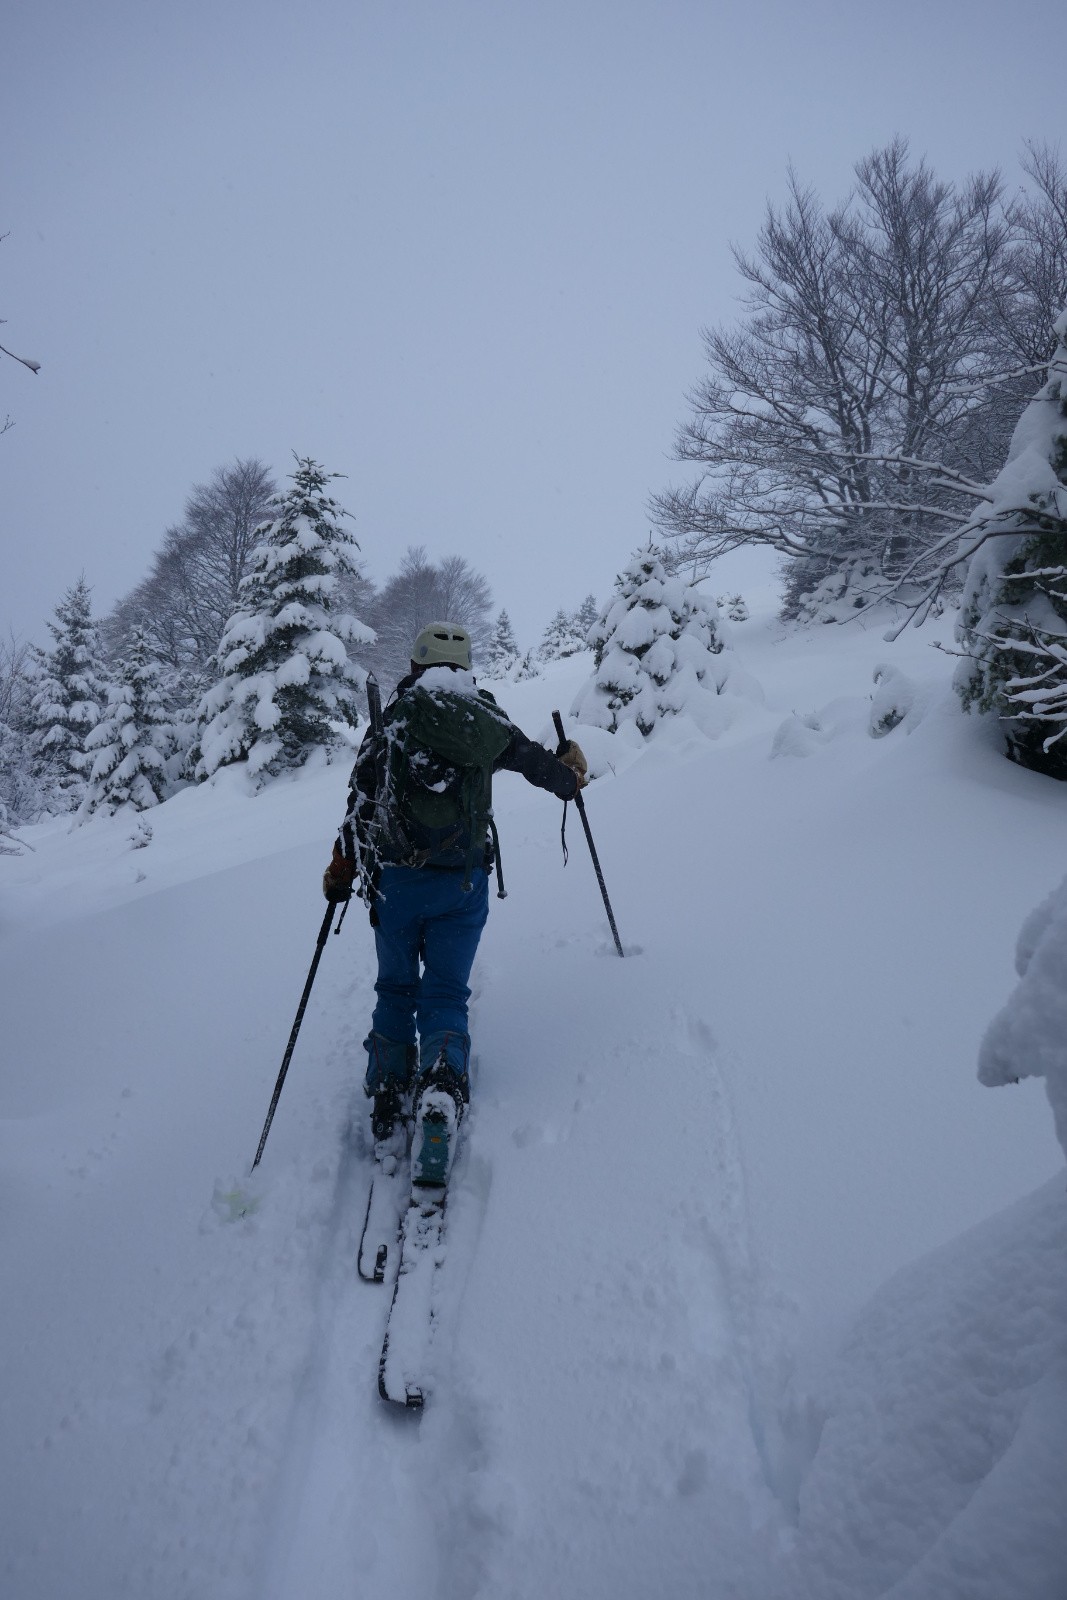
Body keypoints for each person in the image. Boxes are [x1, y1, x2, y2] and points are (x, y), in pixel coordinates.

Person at [322, 620, 587, 1184]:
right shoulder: (483, 721)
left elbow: (361, 799)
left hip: (396, 884)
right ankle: (441, 1087)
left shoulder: (395, 719)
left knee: (395, 986)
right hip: (462, 884)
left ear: (415, 664)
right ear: (465, 667)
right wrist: (570, 776)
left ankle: (390, 1092)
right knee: (445, 991)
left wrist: (342, 865)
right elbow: (541, 767)